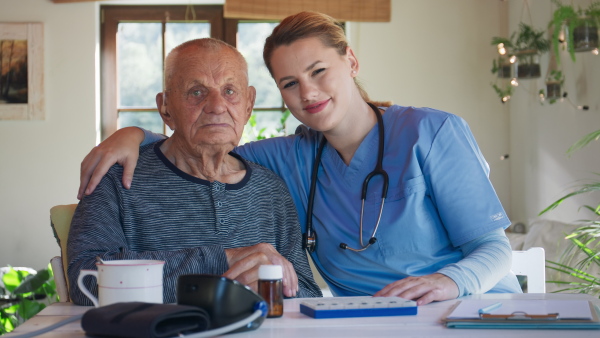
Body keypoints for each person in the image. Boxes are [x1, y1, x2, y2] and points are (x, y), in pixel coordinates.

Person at [77, 12, 522, 305]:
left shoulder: (431, 131)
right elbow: (201, 143)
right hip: (370, 324)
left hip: (471, 308)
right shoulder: (287, 159)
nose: (307, 92)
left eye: (318, 71)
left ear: (351, 61)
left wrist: (449, 283)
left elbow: (495, 249)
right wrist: (134, 134)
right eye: (290, 83)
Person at [67, 38, 322, 306]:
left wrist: (273, 285)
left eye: (230, 91)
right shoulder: (117, 178)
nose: (217, 105)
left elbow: (306, 294)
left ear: (248, 105)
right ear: (165, 108)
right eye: (196, 92)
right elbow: (84, 280)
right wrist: (221, 260)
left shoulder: (270, 189)